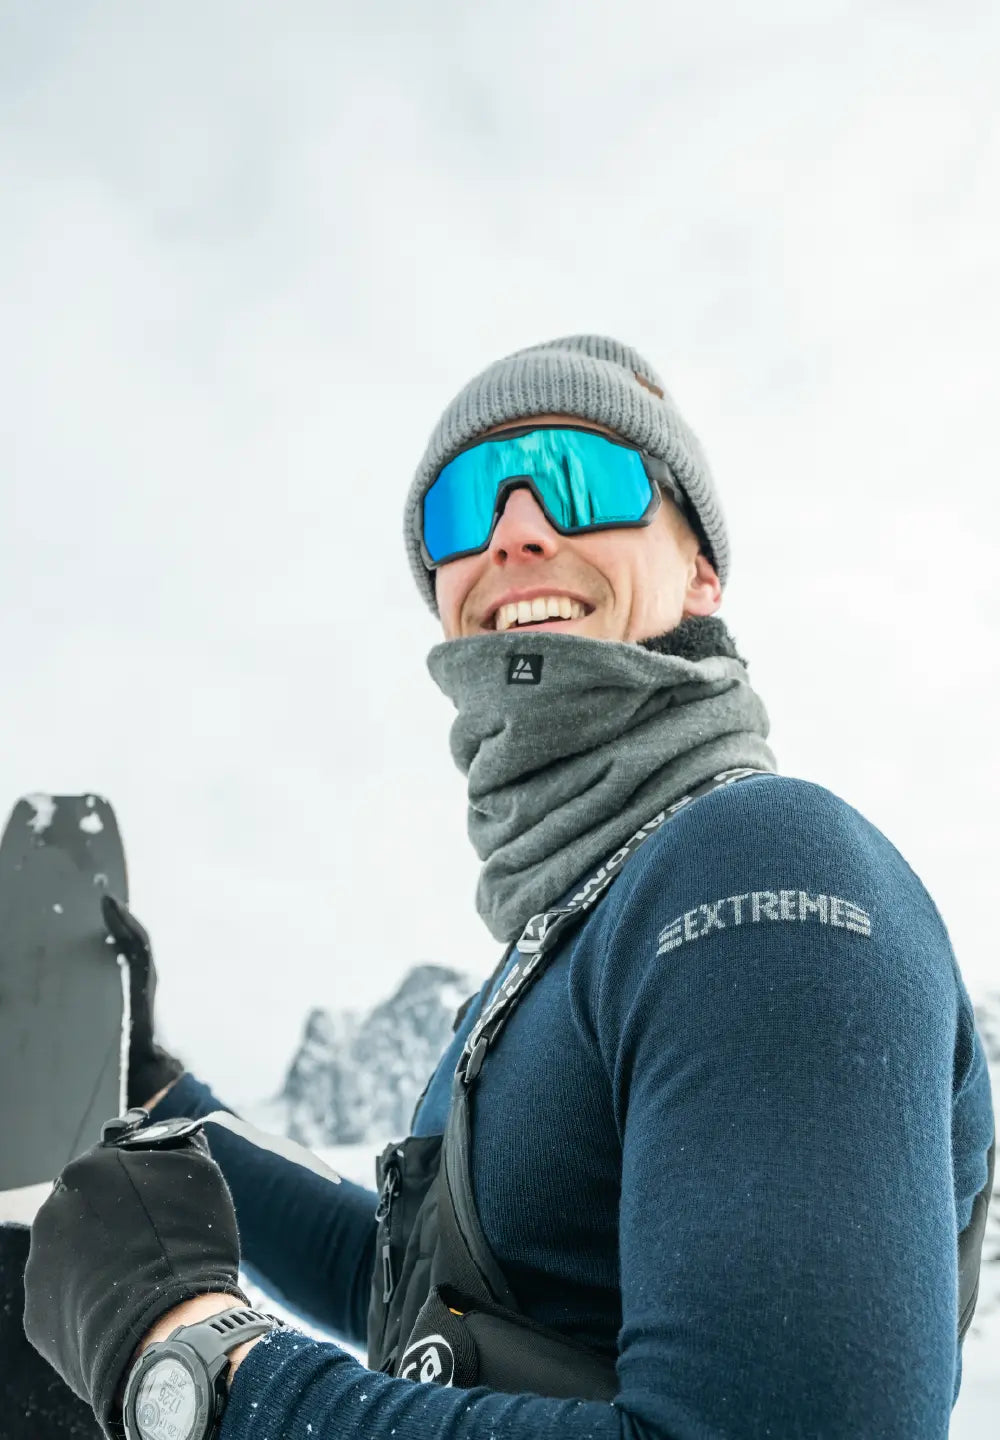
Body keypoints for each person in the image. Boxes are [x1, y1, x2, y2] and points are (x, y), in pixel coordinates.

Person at [22, 335, 996, 1439]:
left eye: (585, 482)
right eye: (463, 508)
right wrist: (162, 1100)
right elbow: (403, 1291)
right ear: (440, 589)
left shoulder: (762, 872)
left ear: (701, 570)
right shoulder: (559, 945)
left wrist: (198, 1373)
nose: (517, 531)